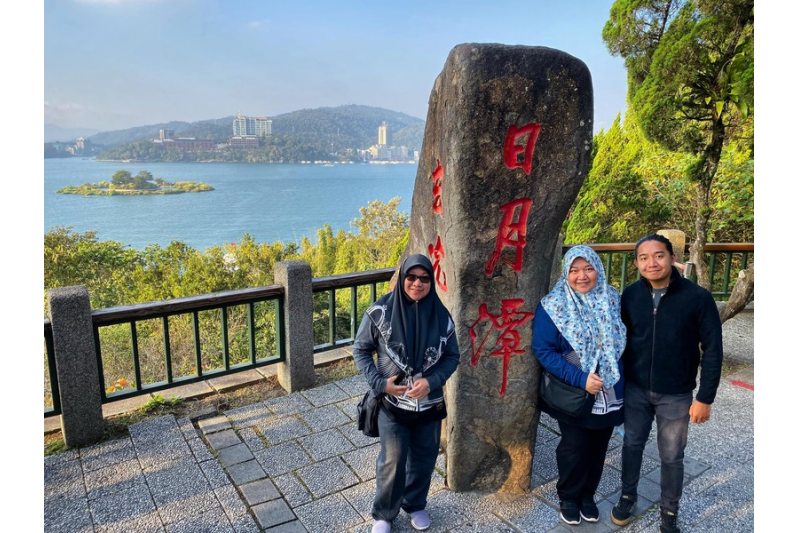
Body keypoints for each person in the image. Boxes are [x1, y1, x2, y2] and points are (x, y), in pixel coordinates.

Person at [611, 234, 723, 533]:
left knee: (672, 455)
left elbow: (713, 349)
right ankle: (627, 495)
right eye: (644, 257)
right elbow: (619, 340)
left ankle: (669, 510)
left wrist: (705, 397)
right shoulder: (631, 295)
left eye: (659, 255)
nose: (652, 262)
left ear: (673, 257)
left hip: (676, 392)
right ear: (636, 263)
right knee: (631, 444)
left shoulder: (697, 298)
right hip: (635, 387)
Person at [352, 254, 460, 533]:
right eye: (411, 277)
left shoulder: (442, 315)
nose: (417, 283)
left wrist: (433, 380)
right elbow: (361, 350)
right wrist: (380, 383)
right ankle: (384, 515)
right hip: (391, 404)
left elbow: (452, 356)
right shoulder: (379, 312)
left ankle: (415, 504)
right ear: (402, 278)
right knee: (392, 460)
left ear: (431, 282)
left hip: (430, 404)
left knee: (425, 457)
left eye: (424, 278)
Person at [532, 245, 627, 526]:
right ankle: (569, 497)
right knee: (574, 446)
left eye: (588, 269)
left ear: (598, 269)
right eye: (574, 270)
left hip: (610, 389)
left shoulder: (611, 298)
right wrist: (581, 378)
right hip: (574, 391)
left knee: (599, 445)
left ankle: (588, 495)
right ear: (566, 273)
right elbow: (544, 349)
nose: (582, 276)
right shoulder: (554, 305)